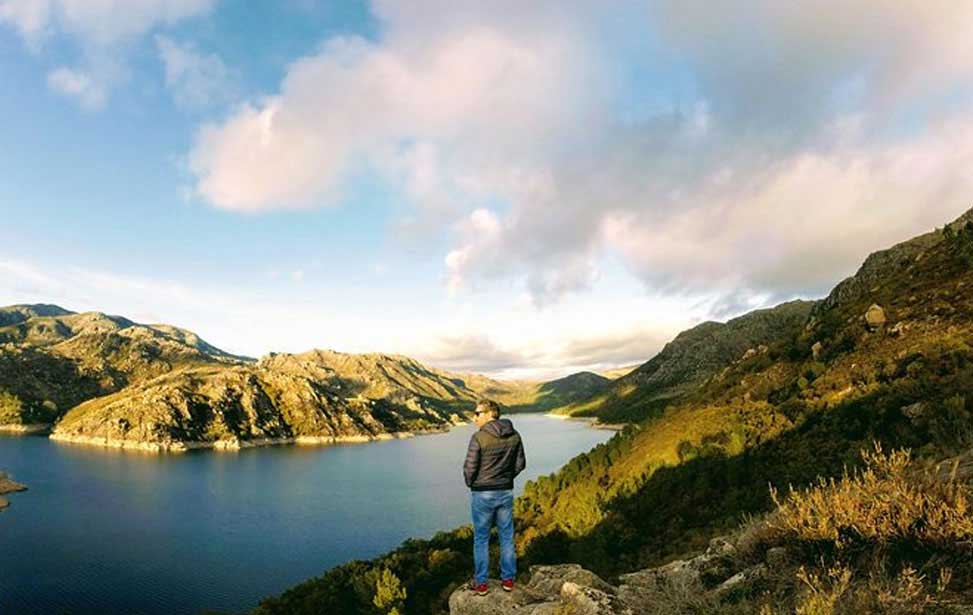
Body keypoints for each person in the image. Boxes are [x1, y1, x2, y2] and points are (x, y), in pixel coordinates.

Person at [463, 399, 526, 595]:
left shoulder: (479, 437)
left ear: (490, 414)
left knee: (481, 539)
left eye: (477, 413)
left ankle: (481, 583)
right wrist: (505, 479)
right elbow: (520, 464)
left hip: (482, 494)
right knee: (506, 536)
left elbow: (469, 468)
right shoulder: (514, 435)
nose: (474, 418)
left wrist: (472, 483)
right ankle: (508, 580)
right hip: (505, 492)